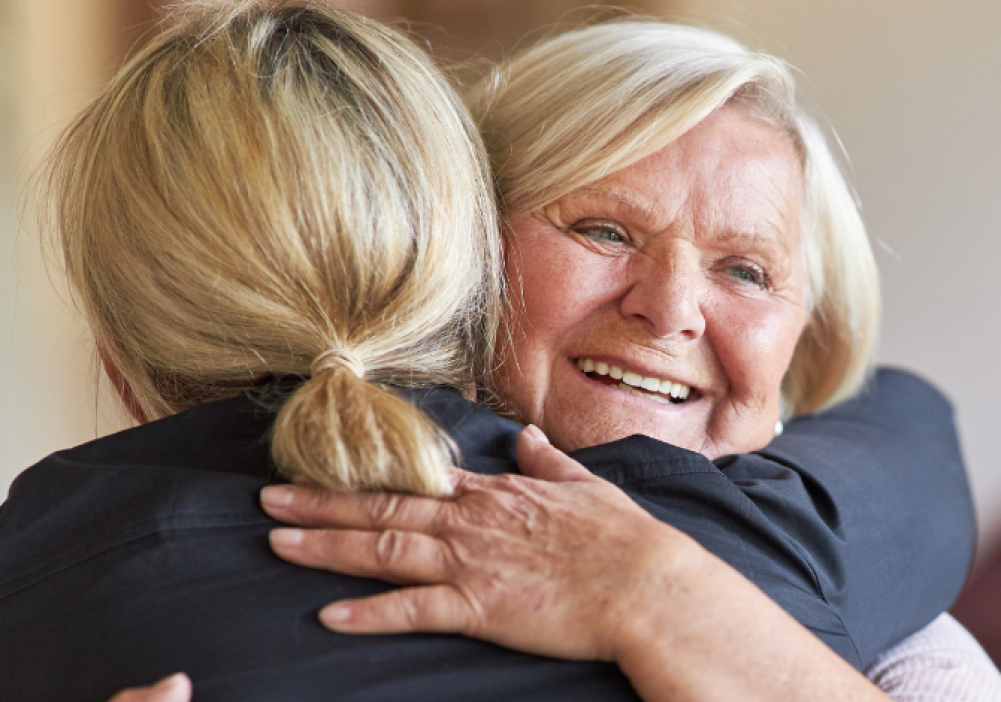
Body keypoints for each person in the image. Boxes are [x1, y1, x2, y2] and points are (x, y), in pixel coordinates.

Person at [0, 3, 980, 701]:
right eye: (601, 231)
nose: (669, 309)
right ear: (460, 256)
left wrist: (662, 594)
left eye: (747, 272)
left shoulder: (892, 626)